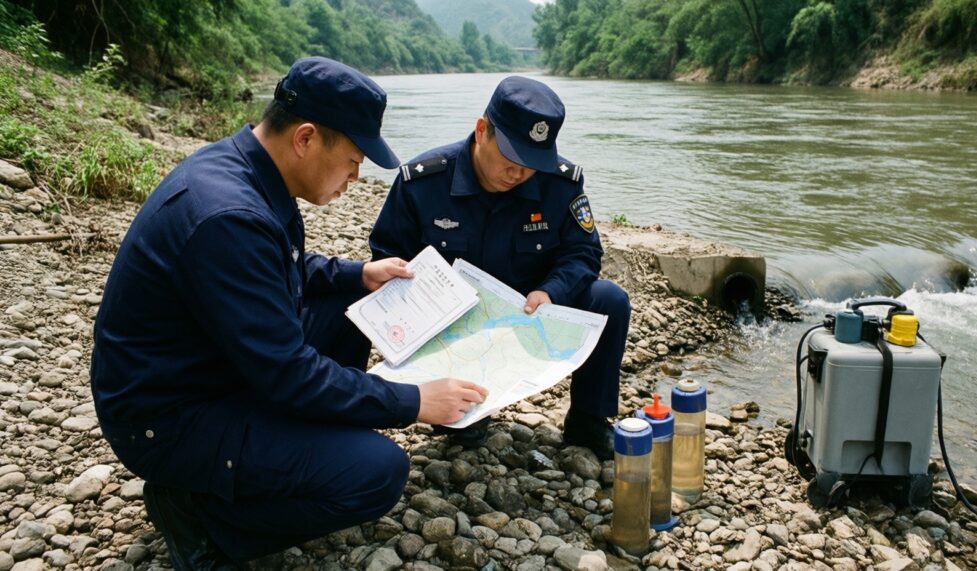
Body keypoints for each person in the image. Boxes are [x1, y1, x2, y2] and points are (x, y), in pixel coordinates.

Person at [90, 57, 487, 569]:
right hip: (168, 421)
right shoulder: (229, 215)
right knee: (378, 472)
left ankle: (274, 456)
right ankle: (200, 514)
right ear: (305, 139)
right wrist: (414, 401)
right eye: (352, 160)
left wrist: (358, 275)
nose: (355, 176)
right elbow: (289, 373)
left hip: (207, 370)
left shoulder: (246, 169)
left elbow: (277, 269)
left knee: (352, 308)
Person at [369, 76, 630, 461]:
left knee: (609, 299)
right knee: (464, 428)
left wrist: (551, 291)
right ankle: (453, 405)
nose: (519, 174)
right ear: (481, 131)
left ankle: (589, 420)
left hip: (530, 308)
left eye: (531, 163)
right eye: (511, 159)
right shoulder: (423, 182)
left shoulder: (559, 184)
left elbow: (583, 253)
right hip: (453, 324)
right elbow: (387, 258)